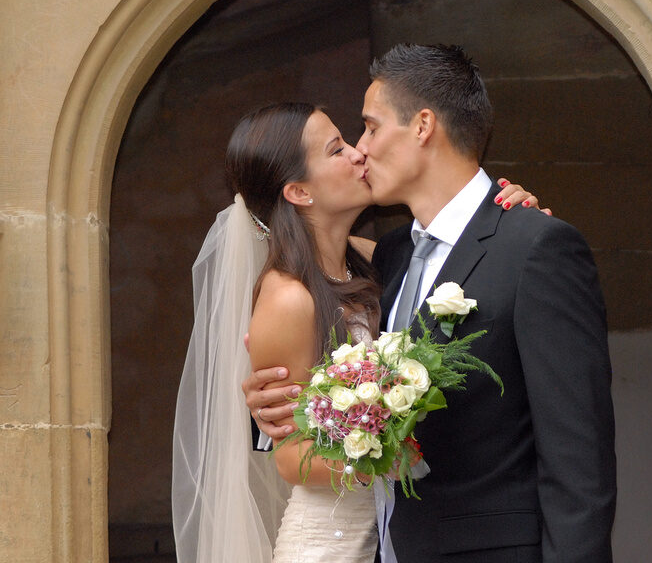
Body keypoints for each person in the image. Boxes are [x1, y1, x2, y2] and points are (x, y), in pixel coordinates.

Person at [246, 44, 616, 563]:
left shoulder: (535, 247)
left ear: (422, 126)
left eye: (370, 127)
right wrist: (273, 414)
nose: (360, 149)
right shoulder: (390, 256)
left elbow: (580, 458)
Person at [172, 101, 542, 562]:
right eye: (336, 149)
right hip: (330, 544)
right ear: (299, 192)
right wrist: (387, 449)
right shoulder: (288, 298)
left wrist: (513, 217)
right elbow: (290, 459)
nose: (358, 152)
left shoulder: (380, 256)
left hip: (389, 536)